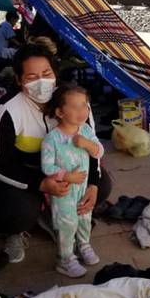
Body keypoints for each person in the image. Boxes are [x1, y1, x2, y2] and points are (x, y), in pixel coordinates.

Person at [0, 44, 112, 263]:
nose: (41, 82)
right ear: (18, 80)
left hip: (67, 172)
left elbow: (93, 148)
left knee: (103, 186)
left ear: (55, 74)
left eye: (46, 74)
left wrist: (93, 183)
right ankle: (17, 230)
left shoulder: (75, 101)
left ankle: (58, 219)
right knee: (20, 210)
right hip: (26, 177)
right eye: (32, 77)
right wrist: (40, 184)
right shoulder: (8, 110)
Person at [41, 84, 104, 277]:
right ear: (60, 112)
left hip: (83, 187)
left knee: (85, 218)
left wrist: (87, 144)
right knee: (67, 223)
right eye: (75, 107)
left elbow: (99, 152)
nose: (82, 111)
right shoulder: (52, 139)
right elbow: (47, 167)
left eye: (84, 105)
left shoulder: (85, 131)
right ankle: (65, 258)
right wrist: (66, 176)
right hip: (64, 191)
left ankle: (84, 245)